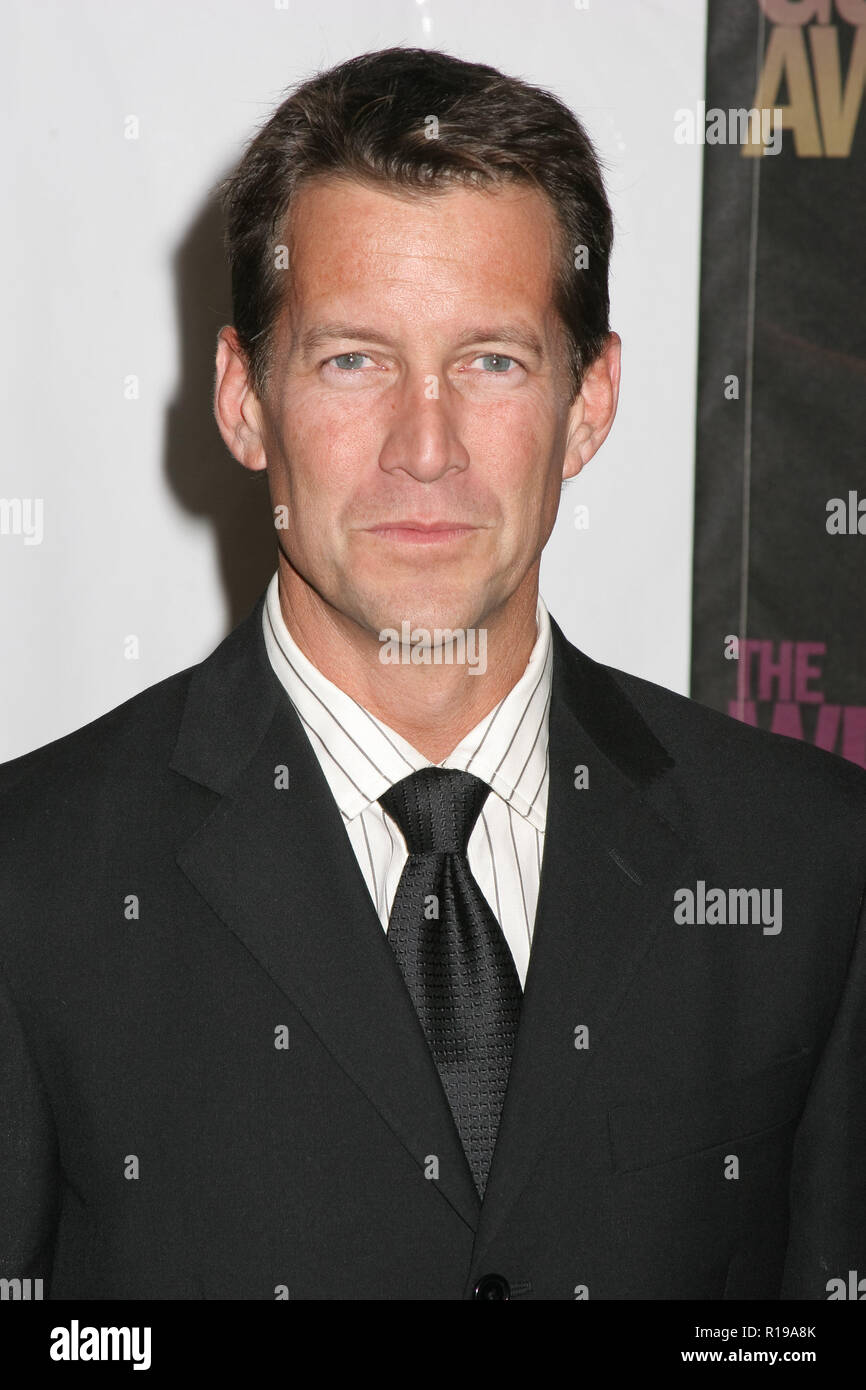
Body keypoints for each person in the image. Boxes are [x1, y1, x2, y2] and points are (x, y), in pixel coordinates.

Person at [1, 45, 864, 1302]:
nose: (424, 446)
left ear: (589, 400)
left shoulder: (803, 862)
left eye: (490, 361)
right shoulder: (33, 883)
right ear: (245, 402)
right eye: (353, 358)